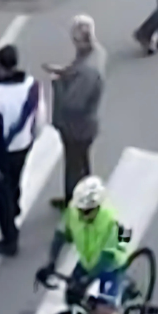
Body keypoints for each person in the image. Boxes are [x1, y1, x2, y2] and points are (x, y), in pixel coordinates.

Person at [36, 176, 127, 314]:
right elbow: (61, 236)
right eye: (80, 209)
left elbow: (108, 257)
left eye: (87, 211)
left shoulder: (111, 221)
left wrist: (89, 278)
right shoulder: (74, 210)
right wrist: (51, 263)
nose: (82, 214)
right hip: (88, 260)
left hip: (110, 266)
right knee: (72, 295)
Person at [0, 45, 42, 256]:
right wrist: (33, 137)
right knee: (16, 179)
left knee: (1, 193)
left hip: (2, 152)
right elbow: (40, 116)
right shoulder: (32, 85)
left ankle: (9, 239)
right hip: (23, 145)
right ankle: (15, 206)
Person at [48, 15, 106, 210]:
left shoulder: (87, 73)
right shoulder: (97, 53)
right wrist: (65, 72)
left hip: (77, 127)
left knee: (74, 167)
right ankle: (85, 198)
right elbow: (76, 70)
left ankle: (76, 206)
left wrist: (57, 83)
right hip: (86, 125)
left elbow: (72, 104)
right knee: (81, 162)